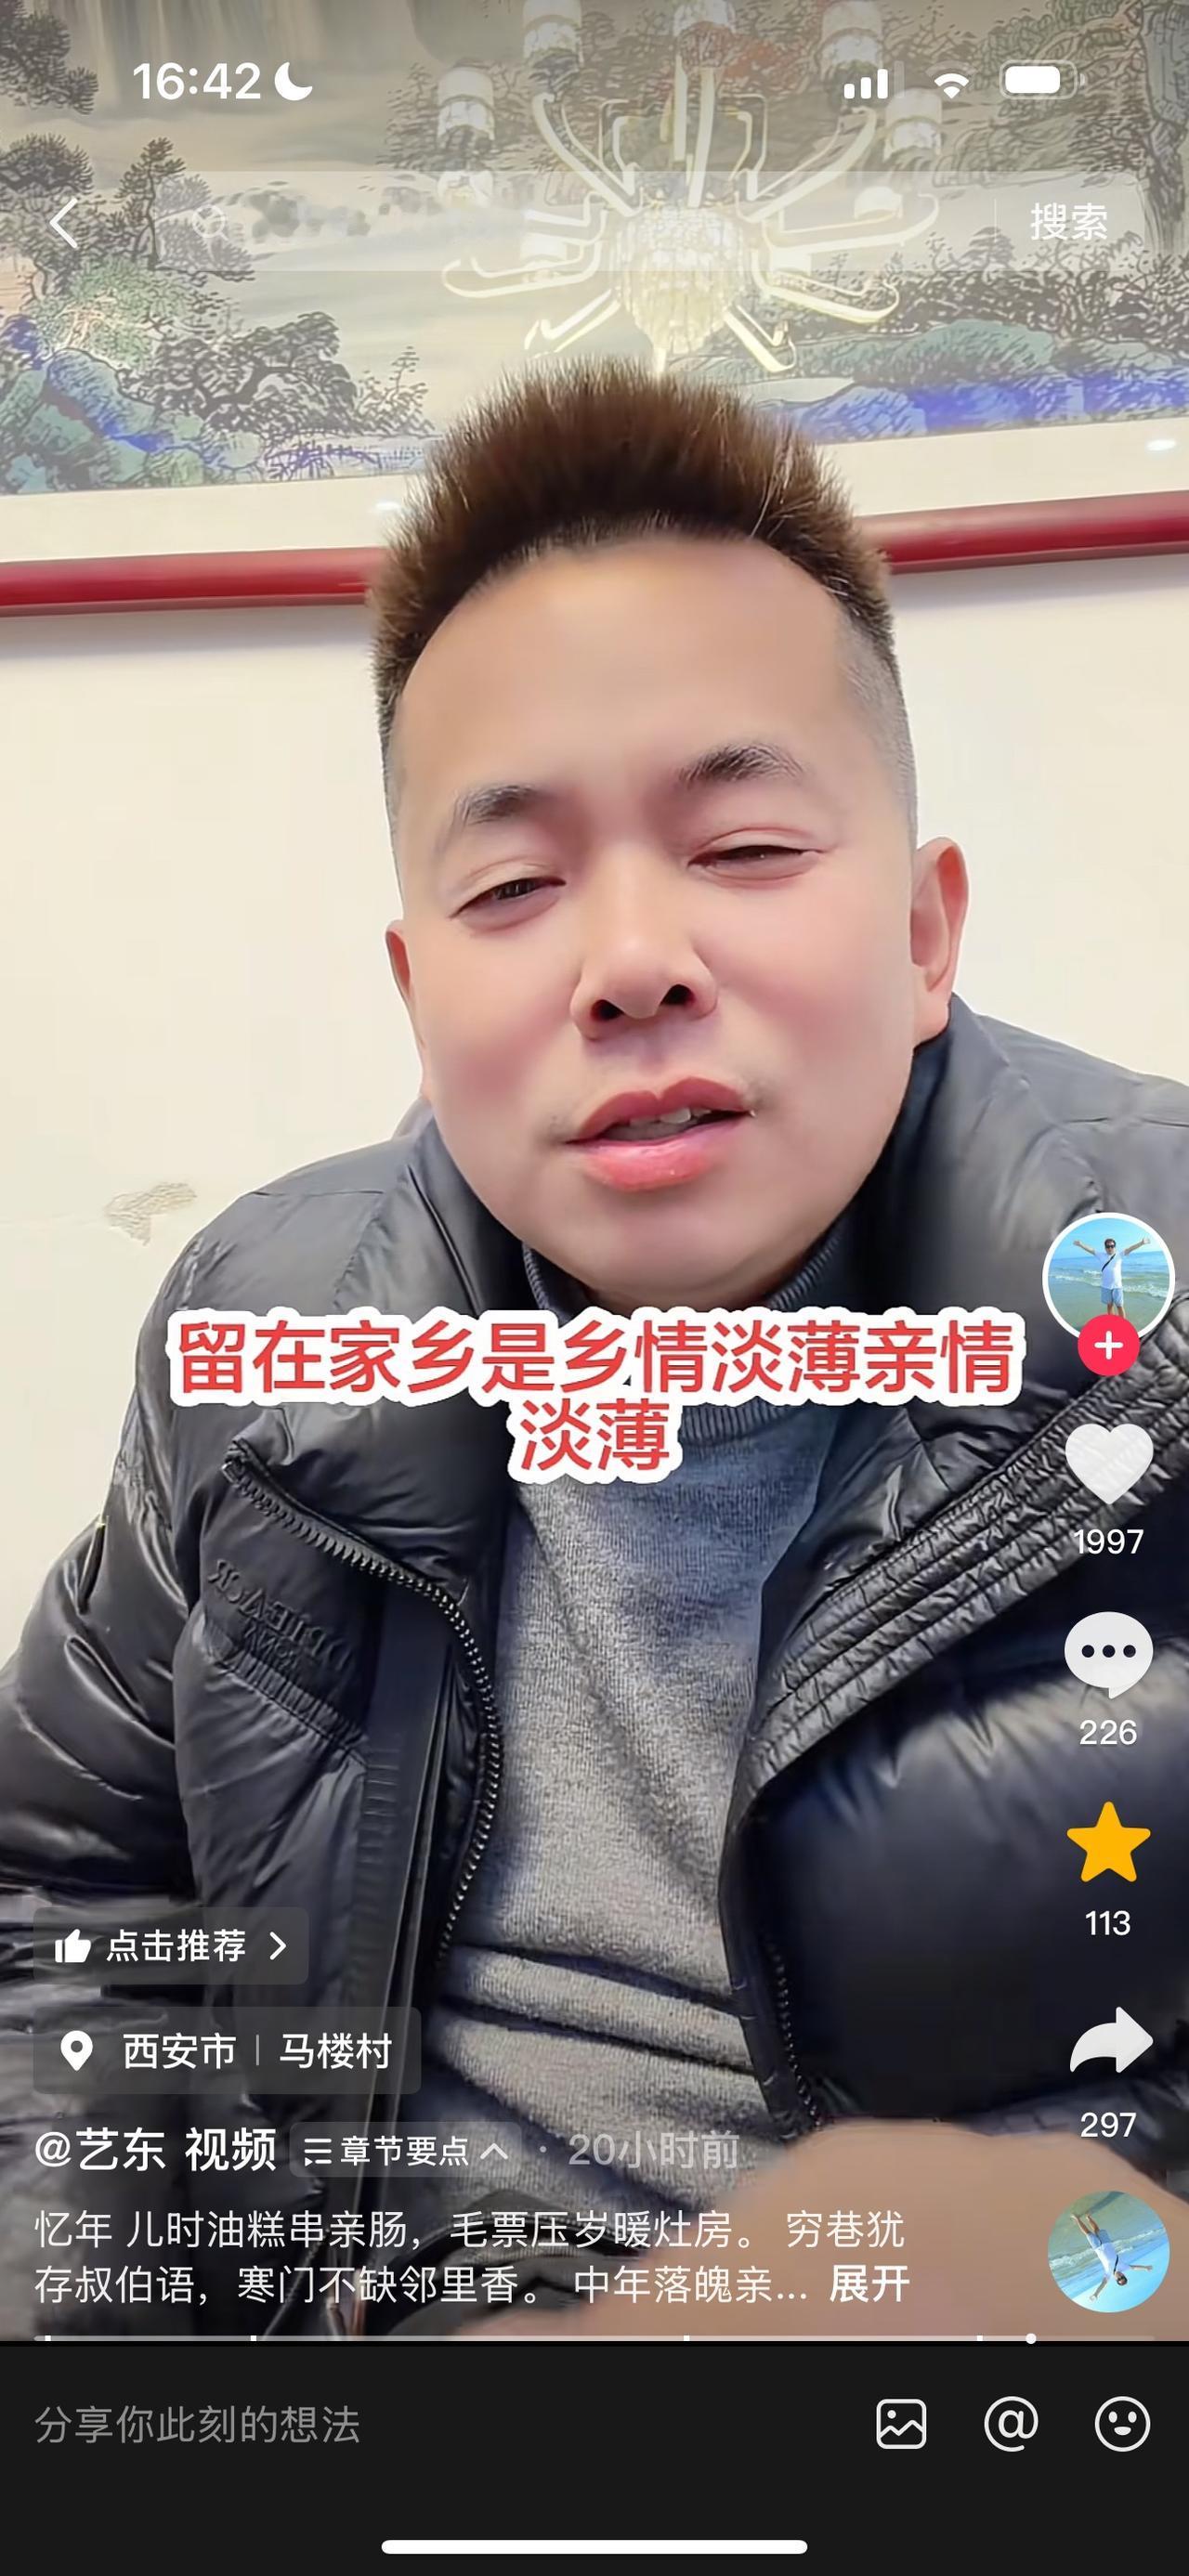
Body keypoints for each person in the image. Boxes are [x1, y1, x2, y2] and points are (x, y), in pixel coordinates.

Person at [2, 356, 1188, 2344]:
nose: (630, 960)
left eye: (742, 847)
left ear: (923, 933)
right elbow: (58, 1904)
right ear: (415, 991)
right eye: (512, 885)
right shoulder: (261, 1331)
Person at [1075, 2206, 1155, 2300]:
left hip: (1098, 2248)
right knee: (1097, 2229)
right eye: (1122, 2277)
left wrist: (1096, 2294)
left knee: (1088, 2233)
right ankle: (1088, 2217)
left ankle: (1077, 2219)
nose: (1120, 2277)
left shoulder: (1108, 2275)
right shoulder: (1124, 2267)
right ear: (1124, 2275)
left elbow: (1103, 2284)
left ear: (1116, 2280)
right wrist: (1146, 2268)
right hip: (1107, 2243)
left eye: (1119, 2279)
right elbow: (1135, 2267)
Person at [1071, 1230, 1152, 1318]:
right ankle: (1112, 1321)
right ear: (1105, 1248)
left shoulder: (1120, 1254)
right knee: (1109, 1305)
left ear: (1115, 1247)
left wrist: (1141, 1243)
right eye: (1108, 1246)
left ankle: (1123, 1323)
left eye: (1112, 1246)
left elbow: (1130, 1248)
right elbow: (1091, 1250)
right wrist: (1081, 1244)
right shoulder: (1101, 1255)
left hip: (1117, 1286)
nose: (1110, 1248)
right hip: (1106, 1286)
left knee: (1120, 1306)